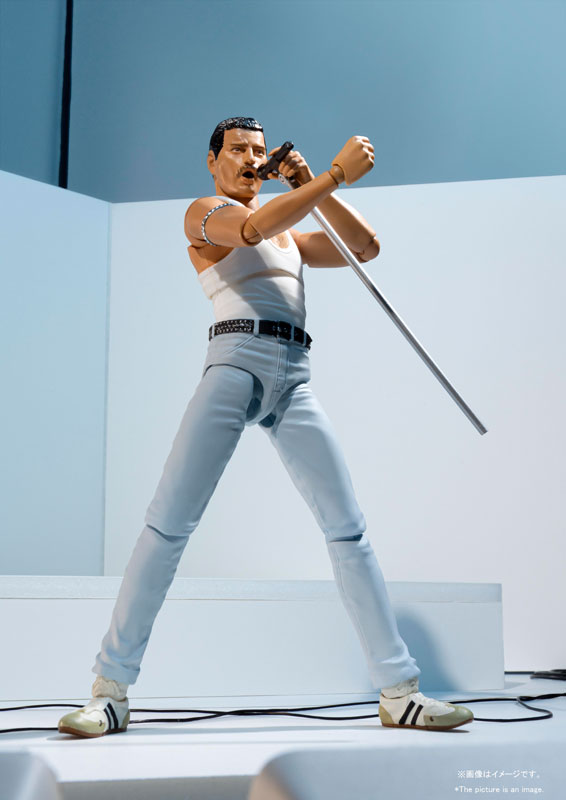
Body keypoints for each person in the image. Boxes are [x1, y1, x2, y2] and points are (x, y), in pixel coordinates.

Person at [58, 117, 473, 738]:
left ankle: (399, 691)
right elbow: (250, 228)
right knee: (168, 526)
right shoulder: (204, 213)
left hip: (294, 376)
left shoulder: (291, 233)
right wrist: (333, 175)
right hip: (235, 362)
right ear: (213, 160)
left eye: (259, 150)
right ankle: (109, 690)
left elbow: (364, 248)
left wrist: (313, 184)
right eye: (238, 150)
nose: (251, 158)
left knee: (348, 529)